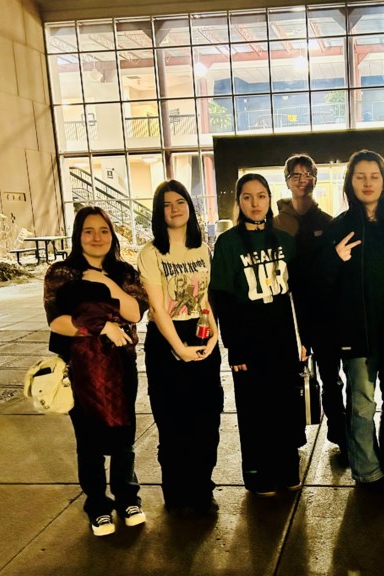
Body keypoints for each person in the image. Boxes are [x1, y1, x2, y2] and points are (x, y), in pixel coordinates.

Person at [316, 150, 384, 496]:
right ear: (350, 182)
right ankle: (368, 472)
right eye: (360, 176)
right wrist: (334, 260)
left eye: (374, 176)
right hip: (356, 336)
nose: (367, 183)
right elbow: (321, 287)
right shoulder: (339, 228)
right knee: (361, 406)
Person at [43, 206, 149, 536]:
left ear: (112, 234)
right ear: (78, 236)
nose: (97, 237)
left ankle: (128, 498)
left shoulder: (124, 272)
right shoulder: (61, 274)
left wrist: (106, 283)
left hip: (120, 366)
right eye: (89, 231)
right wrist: (99, 327)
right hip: (78, 367)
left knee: (123, 436)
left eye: (103, 230)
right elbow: (57, 322)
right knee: (87, 440)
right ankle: (97, 505)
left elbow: (134, 314)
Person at [209, 173, 308, 496]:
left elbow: (299, 295)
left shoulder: (285, 241)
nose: (255, 203)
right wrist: (234, 348)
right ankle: (258, 473)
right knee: (255, 412)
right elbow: (222, 298)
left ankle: (286, 467)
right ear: (238, 201)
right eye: (248, 197)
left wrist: (303, 340)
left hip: (283, 341)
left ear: (269, 199)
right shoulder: (227, 243)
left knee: (285, 409)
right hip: (249, 345)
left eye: (261, 196)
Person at [137, 180, 224, 515]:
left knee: (206, 420)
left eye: (180, 202)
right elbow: (158, 310)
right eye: (166, 204)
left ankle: (202, 488)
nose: (174, 209)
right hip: (166, 339)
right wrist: (180, 349)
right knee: (174, 423)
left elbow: (205, 298)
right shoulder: (151, 253)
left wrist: (214, 336)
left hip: (201, 332)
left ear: (190, 206)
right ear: (158, 212)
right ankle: (177, 493)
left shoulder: (201, 247)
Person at [273, 154, 348, 456]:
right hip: (290, 316)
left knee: (332, 378)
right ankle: (293, 435)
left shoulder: (328, 223)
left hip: (324, 314)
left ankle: (340, 433)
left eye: (309, 174)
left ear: (316, 178)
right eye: (296, 174)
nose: (303, 180)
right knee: (290, 378)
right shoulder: (276, 225)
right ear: (287, 179)